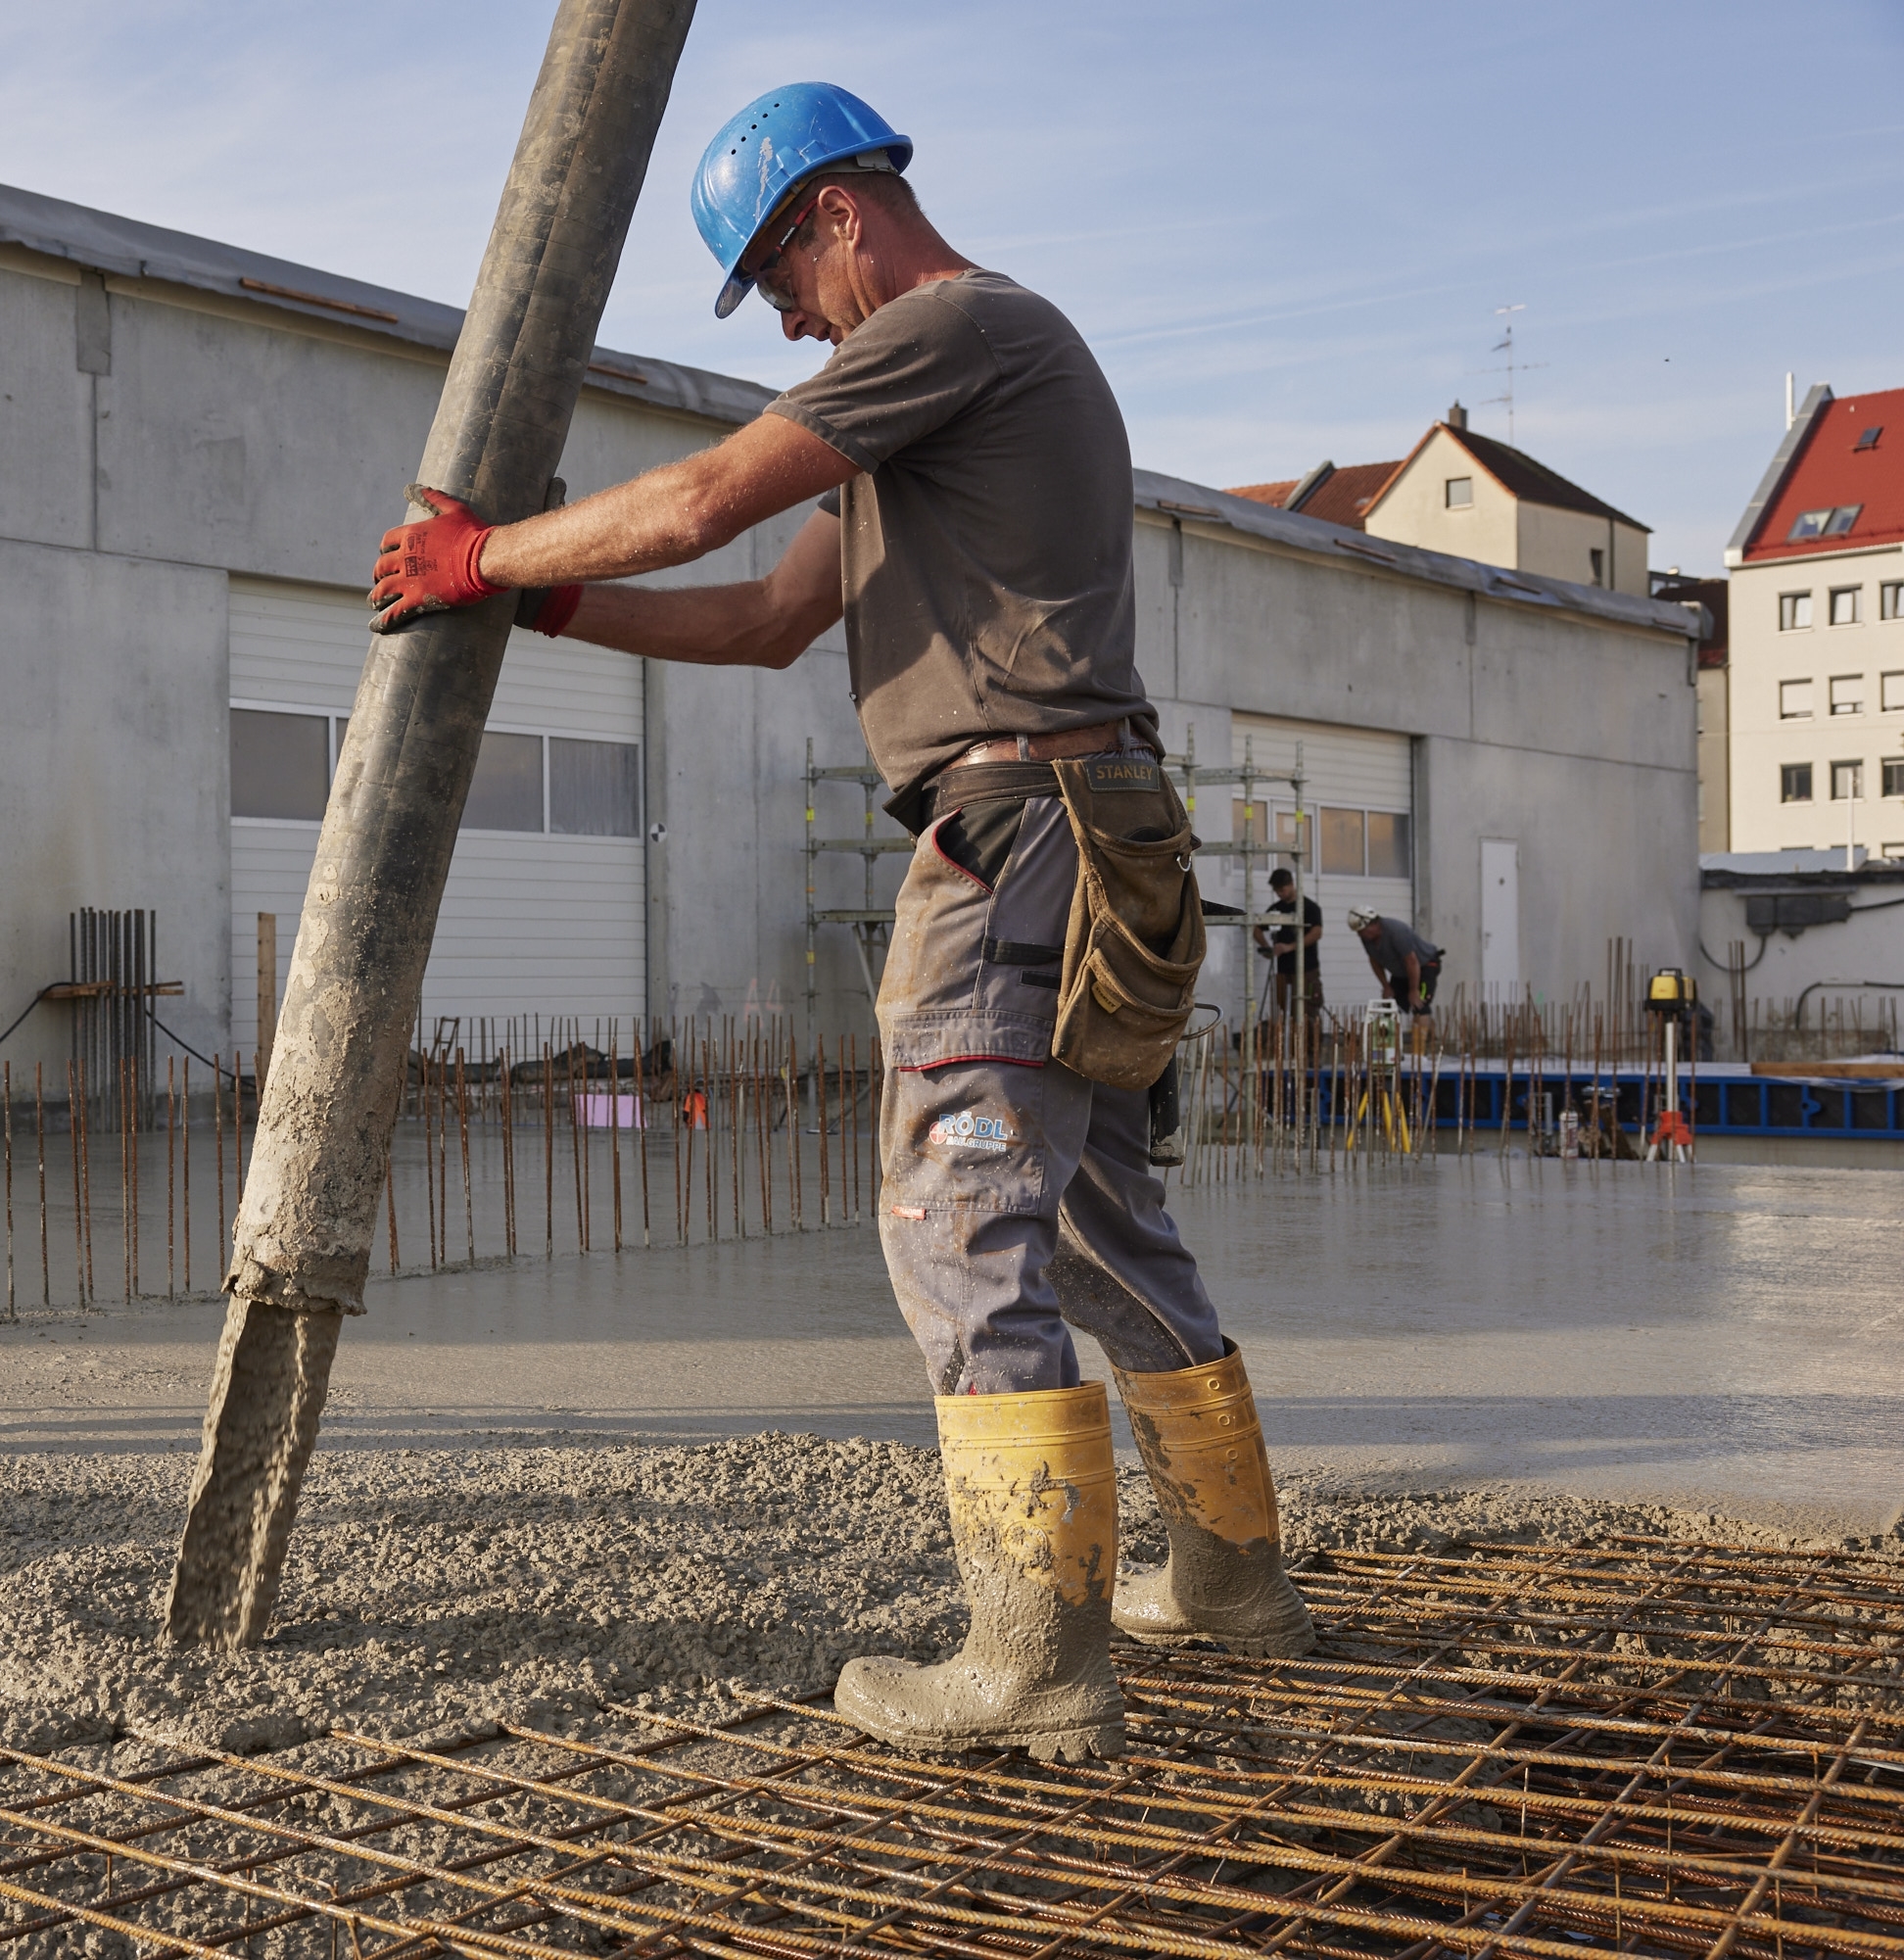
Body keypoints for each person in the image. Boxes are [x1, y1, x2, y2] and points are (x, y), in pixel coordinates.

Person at [369, 84, 1310, 1763]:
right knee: (1096, 1218)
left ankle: (1035, 1657)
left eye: (779, 283)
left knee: (960, 1220)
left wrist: (481, 556)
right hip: (1097, 829)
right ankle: (1233, 1576)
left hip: (1013, 836)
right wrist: (561, 605)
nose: (791, 323)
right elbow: (759, 616)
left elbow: (706, 497)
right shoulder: (941, 414)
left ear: (839, 218)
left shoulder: (951, 331)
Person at [1349, 907, 1442, 1018]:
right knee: (1390, 1007)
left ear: (1373, 925)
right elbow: (1374, 960)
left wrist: (1413, 990)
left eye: (1361, 931)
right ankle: (1391, 1035)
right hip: (1402, 971)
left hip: (1424, 965)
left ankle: (1421, 1034)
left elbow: (1412, 961)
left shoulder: (1396, 931)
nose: (1359, 935)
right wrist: (1386, 986)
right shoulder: (1367, 938)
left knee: (1419, 1005)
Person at [1262, 867, 1323, 1033]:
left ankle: (1309, 1054)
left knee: (1307, 1011)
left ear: (1291, 885)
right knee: (1284, 1009)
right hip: (1283, 970)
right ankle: (1289, 1050)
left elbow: (1316, 933)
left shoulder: (1309, 908)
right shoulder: (1276, 909)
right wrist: (1268, 949)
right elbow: (1257, 927)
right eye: (1276, 891)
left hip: (1306, 970)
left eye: (1282, 890)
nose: (1280, 894)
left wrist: (1290, 947)